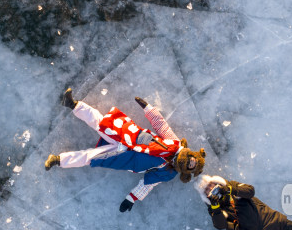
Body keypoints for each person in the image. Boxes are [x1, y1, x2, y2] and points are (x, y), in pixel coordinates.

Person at [45, 88, 206, 212]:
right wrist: (148, 108)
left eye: (191, 165)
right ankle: (73, 104)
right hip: (129, 136)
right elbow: (161, 125)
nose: (191, 161)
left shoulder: (169, 172)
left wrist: (131, 198)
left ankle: (58, 160)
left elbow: (148, 184)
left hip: (125, 157)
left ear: (187, 171)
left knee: (92, 157)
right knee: (101, 122)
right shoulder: (176, 143)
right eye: (193, 159)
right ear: (193, 153)